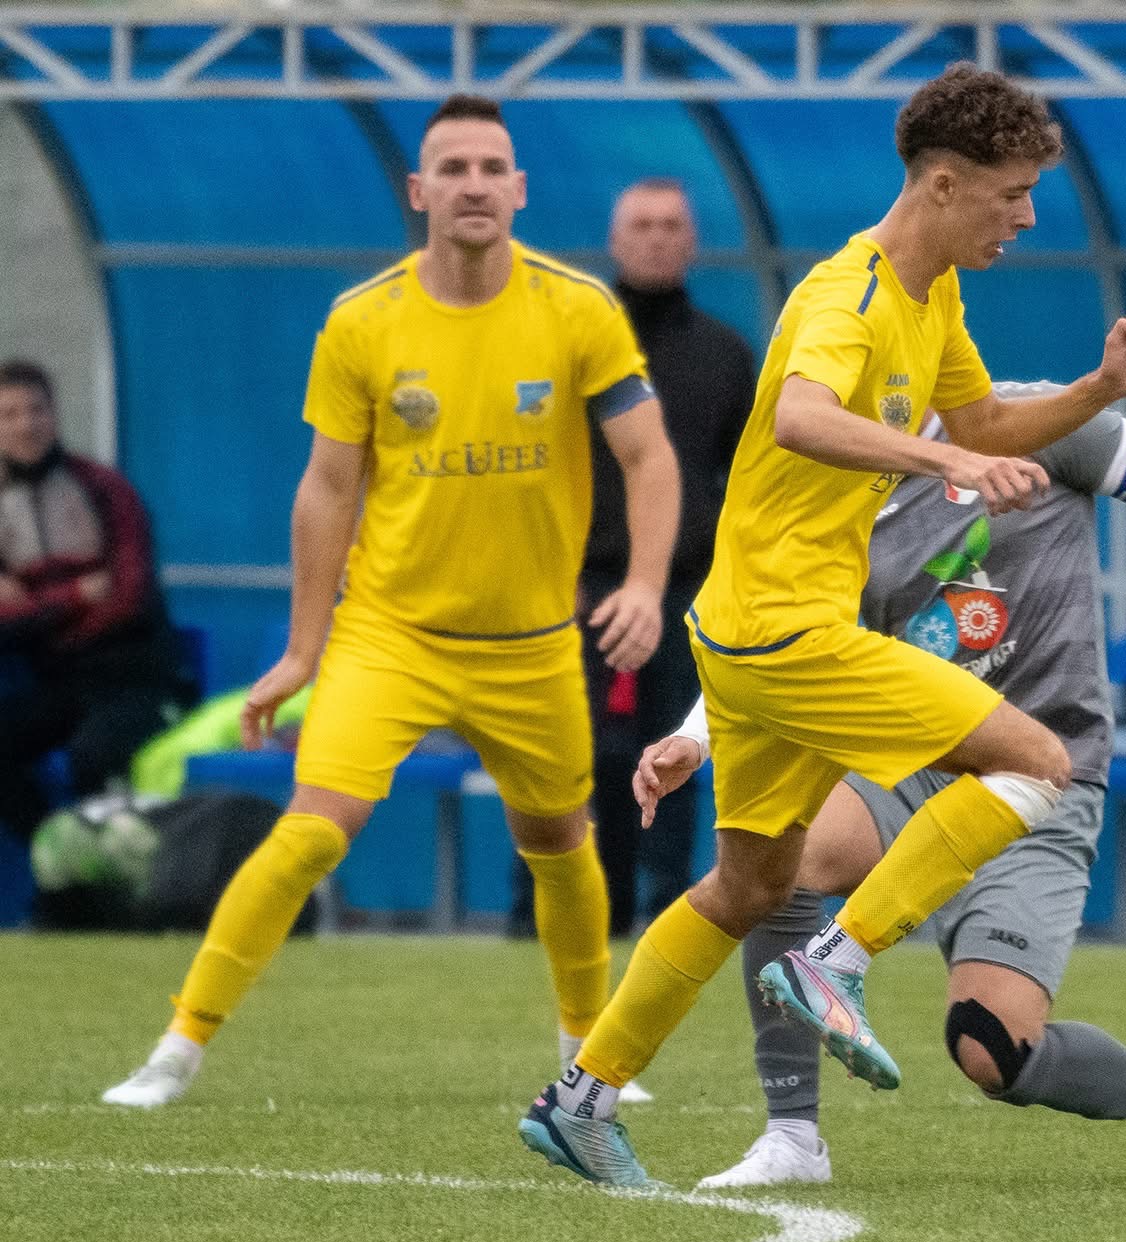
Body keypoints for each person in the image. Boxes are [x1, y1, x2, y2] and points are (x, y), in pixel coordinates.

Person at [515, 63, 1126, 1188]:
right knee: (1038, 763)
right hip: (787, 634)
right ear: (942, 183)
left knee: (746, 887)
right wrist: (944, 461)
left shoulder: (935, 295)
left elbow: (983, 419)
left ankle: (582, 1098)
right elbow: (802, 416)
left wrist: (1097, 387)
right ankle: (840, 959)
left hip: (750, 630)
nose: (1027, 217)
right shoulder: (851, 297)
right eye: (1012, 193)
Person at [630, 380, 1126, 1187]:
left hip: (1046, 779)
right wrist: (692, 737)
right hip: (918, 764)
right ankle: (792, 1139)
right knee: (786, 861)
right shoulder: (829, 487)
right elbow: (771, 640)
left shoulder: (1041, 421)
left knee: (991, 1051)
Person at [100, 94, 681, 1107]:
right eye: (451, 168)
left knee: (562, 844)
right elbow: (326, 489)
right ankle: (175, 1050)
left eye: (490, 167)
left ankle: (590, 1056)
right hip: (393, 634)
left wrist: (642, 584)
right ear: (419, 190)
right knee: (312, 830)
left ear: (520, 189)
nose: (472, 184)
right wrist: (301, 649)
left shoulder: (577, 308)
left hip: (532, 641)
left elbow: (649, 455)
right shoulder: (364, 320)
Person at [506, 178, 754, 939]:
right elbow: (528, 469)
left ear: (692, 240)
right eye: (641, 225)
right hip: (578, 590)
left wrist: (724, 583)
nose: (656, 238)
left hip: (685, 595)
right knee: (566, 756)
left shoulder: (724, 354)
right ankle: (553, 914)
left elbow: (747, 482)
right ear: (614, 241)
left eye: (670, 225)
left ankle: (669, 913)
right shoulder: (571, 345)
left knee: (677, 752)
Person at [0, 359, 199, 847]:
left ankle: (118, 874)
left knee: (95, 755)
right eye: (9, 414)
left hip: (136, 676)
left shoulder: (105, 489)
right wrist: (75, 595)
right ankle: (57, 859)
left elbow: (128, 597)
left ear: (55, 414)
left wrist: (33, 608)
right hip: (59, 682)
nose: (26, 425)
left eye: (37, 410)